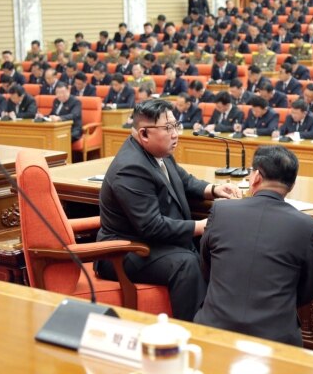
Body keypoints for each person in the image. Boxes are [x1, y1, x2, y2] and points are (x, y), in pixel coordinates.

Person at [95, 99, 240, 320]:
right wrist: (203, 225)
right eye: (168, 128)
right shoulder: (130, 168)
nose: (175, 134)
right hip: (124, 251)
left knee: (215, 247)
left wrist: (215, 189)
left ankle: (221, 318)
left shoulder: (158, 153)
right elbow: (151, 226)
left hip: (149, 243)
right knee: (186, 263)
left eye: (176, 126)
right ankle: (191, 329)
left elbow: (185, 181)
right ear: (144, 134)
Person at [194, 146, 313, 345]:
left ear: (255, 177)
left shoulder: (222, 211)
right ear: (292, 184)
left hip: (214, 328)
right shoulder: (307, 226)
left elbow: (206, 266)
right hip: (276, 337)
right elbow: (309, 289)